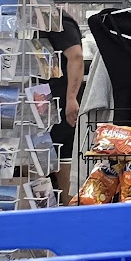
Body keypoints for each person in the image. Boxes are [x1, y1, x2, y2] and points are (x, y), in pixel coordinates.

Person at [42, 11, 84, 194]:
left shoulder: (56, 18)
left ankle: (70, 210)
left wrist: (71, 99)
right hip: (37, 105)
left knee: (64, 167)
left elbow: (76, 57)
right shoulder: (24, 20)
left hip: (59, 106)